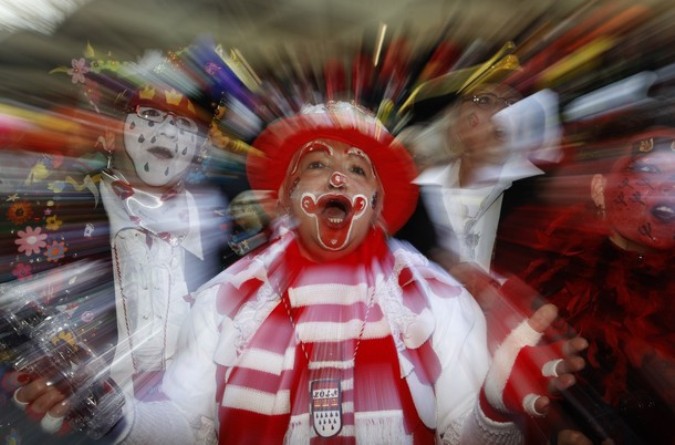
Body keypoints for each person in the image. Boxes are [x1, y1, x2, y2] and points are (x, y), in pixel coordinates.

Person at [14, 101, 587, 444]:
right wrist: (112, 415)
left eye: (357, 170)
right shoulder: (228, 298)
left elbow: (471, 436)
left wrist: (495, 405)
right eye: (316, 166)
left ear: (379, 205)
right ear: (287, 196)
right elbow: (184, 425)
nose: (337, 179)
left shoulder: (435, 297)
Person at [496, 122, 675, 444]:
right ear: (598, 191)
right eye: (647, 170)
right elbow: (513, 385)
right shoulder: (548, 280)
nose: (666, 189)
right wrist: (555, 428)